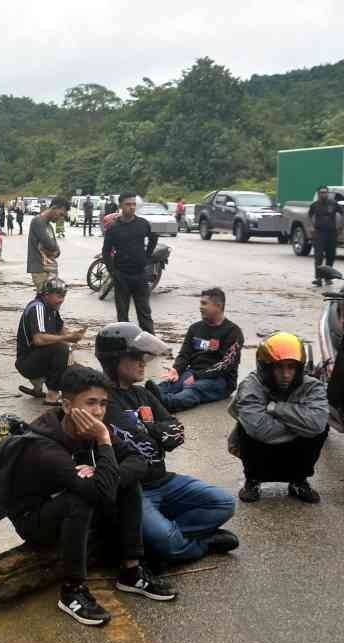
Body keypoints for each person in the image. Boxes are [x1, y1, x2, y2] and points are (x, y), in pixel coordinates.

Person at [8, 365, 177, 627]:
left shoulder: (95, 427)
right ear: (66, 405)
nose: (98, 412)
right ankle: (72, 591)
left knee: (126, 483)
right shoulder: (44, 445)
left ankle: (131, 571)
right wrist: (104, 442)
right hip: (36, 520)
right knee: (82, 496)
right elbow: (97, 491)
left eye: (103, 403)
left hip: (75, 504)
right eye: (90, 403)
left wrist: (104, 466)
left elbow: (138, 461)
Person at [96, 323, 238, 565]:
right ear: (114, 360)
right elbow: (139, 441)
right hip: (134, 490)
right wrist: (155, 432)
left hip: (164, 480)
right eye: (135, 357)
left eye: (143, 357)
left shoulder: (144, 394)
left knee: (225, 503)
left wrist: (147, 430)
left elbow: (176, 433)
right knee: (164, 540)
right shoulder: (100, 400)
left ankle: (161, 541)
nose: (143, 362)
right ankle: (199, 544)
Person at [230, 332, 330, 504]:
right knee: (246, 428)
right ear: (267, 368)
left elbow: (318, 423)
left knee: (321, 430)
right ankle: (252, 481)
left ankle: (299, 481)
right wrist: (300, 424)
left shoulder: (312, 386)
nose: (286, 374)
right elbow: (259, 429)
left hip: (296, 445)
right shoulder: (250, 386)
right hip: (260, 445)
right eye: (279, 367)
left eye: (291, 367)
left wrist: (276, 408)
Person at [148, 288, 243, 412]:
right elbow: (185, 353)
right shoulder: (195, 328)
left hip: (221, 380)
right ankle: (147, 399)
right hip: (193, 372)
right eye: (200, 303)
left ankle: (167, 404)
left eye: (204, 303)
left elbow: (226, 365)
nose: (200, 307)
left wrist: (197, 376)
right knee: (170, 384)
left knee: (193, 389)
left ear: (218, 306)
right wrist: (176, 369)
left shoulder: (233, 331)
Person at [15, 278, 85, 404]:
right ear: (46, 295)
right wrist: (66, 339)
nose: (62, 300)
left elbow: (63, 331)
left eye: (64, 296)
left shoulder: (53, 309)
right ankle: (52, 395)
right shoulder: (38, 308)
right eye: (58, 296)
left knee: (77, 367)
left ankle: (38, 386)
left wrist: (75, 335)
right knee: (61, 348)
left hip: (38, 358)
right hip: (26, 363)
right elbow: (39, 339)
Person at [102, 192, 157, 333]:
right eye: (128, 204)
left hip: (140, 275)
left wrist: (147, 257)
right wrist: (113, 272)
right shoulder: (113, 228)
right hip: (122, 276)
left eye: (134, 204)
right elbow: (106, 252)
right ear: (120, 206)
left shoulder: (143, 224)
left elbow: (153, 239)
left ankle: (149, 343)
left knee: (144, 312)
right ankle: (124, 344)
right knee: (122, 315)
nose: (132, 207)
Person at [309, 186, 344, 287]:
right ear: (318, 193)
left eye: (325, 192)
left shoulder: (333, 203)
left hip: (331, 233)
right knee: (318, 256)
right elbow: (309, 216)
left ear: (328, 193)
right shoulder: (314, 205)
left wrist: (341, 227)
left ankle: (328, 277)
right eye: (321, 192)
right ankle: (318, 278)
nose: (323, 194)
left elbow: (343, 214)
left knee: (331, 255)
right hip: (319, 233)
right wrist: (311, 227)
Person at [27, 197, 67, 290]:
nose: (60, 218)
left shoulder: (49, 226)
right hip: (41, 269)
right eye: (61, 214)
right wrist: (54, 249)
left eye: (63, 216)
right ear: (54, 207)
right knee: (46, 299)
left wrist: (55, 249)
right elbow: (50, 245)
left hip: (49, 269)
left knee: (51, 300)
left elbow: (56, 249)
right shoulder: (38, 221)